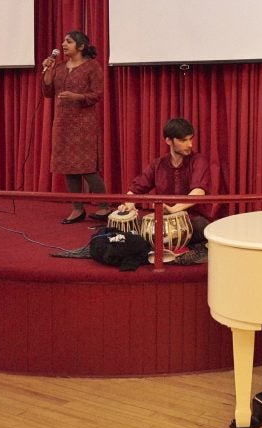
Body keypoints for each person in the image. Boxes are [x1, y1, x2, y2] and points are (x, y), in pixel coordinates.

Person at [117, 118, 211, 264]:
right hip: (163, 222)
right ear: (169, 140)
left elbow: (198, 192)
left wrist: (173, 210)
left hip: (192, 221)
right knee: (133, 225)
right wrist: (128, 203)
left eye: (190, 139)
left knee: (202, 226)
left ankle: (168, 249)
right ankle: (175, 249)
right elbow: (137, 187)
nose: (190, 144)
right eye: (184, 140)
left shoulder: (198, 161)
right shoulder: (158, 164)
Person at [41, 30, 110, 224]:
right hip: (62, 122)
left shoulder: (92, 67)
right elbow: (48, 92)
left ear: (80, 46)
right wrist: (48, 70)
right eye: (63, 41)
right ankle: (77, 209)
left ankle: (105, 207)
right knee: (68, 167)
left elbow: (97, 95)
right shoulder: (60, 67)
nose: (63, 44)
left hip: (84, 124)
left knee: (87, 168)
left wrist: (77, 97)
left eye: (68, 42)